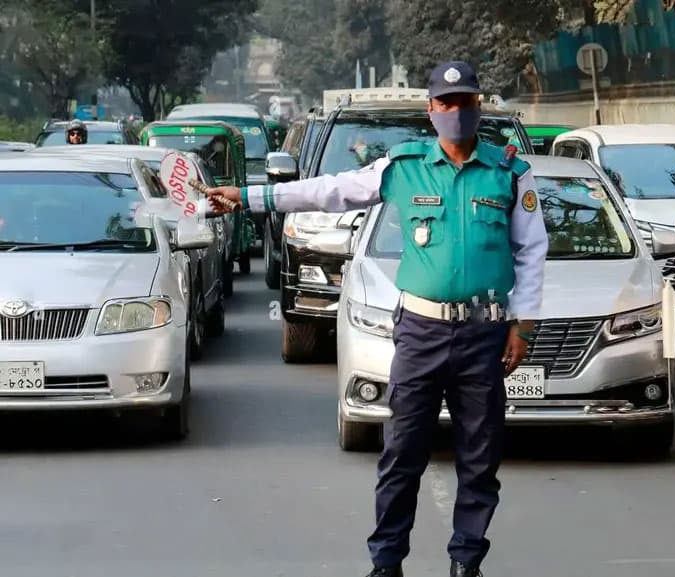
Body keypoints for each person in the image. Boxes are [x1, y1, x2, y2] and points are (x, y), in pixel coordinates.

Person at [203, 61, 549, 577]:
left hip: (484, 334)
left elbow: (532, 250)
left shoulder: (510, 171)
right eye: (447, 103)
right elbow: (330, 191)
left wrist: (524, 324)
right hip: (421, 332)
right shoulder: (403, 167)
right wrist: (252, 197)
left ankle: (466, 561)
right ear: (431, 110)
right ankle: (387, 562)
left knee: (480, 458)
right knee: (401, 455)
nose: (457, 112)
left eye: (466, 102)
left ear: (479, 106)